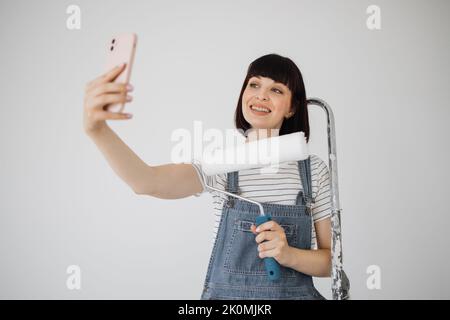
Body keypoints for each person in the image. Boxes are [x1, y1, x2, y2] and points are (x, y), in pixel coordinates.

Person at [83, 53, 331, 300]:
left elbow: (332, 262)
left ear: (292, 107)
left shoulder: (313, 171)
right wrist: (97, 130)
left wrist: (289, 255)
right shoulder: (221, 165)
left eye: (276, 90)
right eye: (254, 84)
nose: (261, 95)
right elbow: (147, 182)